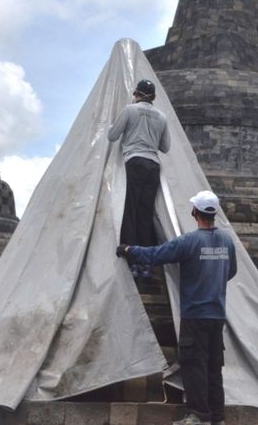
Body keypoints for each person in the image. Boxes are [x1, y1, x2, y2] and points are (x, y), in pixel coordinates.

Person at [117, 190, 237, 425]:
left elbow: (156, 255)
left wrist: (129, 250)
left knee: (194, 366)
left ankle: (198, 416)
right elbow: (230, 272)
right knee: (214, 368)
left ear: (195, 212)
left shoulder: (189, 242)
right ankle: (217, 418)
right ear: (214, 214)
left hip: (194, 316)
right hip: (216, 315)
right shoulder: (227, 241)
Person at [108, 78, 171, 279]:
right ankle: (146, 263)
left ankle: (131, 258)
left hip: (134, 161)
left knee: (130, 210)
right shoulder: (162, 117)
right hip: (153, 165)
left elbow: (112, 135)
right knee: (145, 213)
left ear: (137, 94)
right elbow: (165, 147)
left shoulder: (129, 110)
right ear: (152, 97)